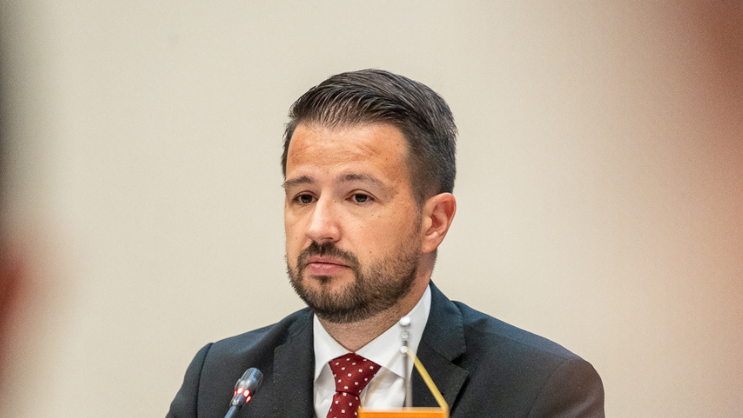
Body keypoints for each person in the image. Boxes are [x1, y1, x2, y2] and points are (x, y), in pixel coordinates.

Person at [166, 69, 604, 418]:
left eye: (359, 197)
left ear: (434, 222)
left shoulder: (540, 389)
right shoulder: (219, 379)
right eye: (304, 197)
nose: (319, 228)